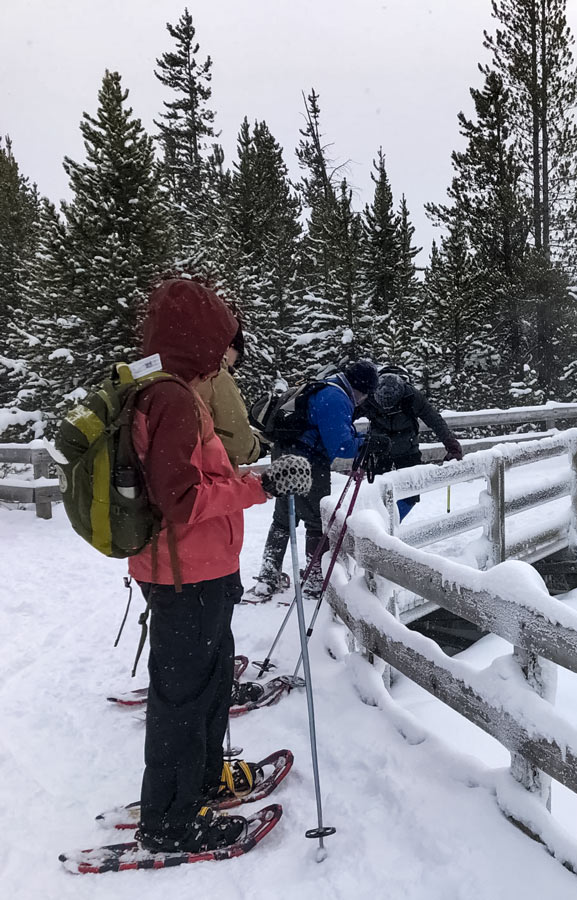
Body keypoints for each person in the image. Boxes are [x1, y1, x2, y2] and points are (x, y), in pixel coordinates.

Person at [129, 278, 310, 853]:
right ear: (200, 339)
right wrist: (257, 491)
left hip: (195, 570)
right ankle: (170, 822)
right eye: (218, 338)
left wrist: (257, 478)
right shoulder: (174, 399)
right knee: (183, 698)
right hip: (186, 572)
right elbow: (181, 499)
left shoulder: (164, 389)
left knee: (206, 687)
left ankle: (201, 784)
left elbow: (200, 478)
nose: (222, 353)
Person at [253, 359, 378, 599]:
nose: (363, 401)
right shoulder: (337, 398)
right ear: (361, 388)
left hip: (285, 454)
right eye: (366, 395)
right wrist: (368, 443)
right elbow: (342, 447)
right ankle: (314, 579)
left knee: (283, 518)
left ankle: (268, 577)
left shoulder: (325, 386)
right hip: (308, 463)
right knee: (316, 519)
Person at [361, 370, 464, 524]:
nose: (387, 409)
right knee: (378, 492)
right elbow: (347, 417)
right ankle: (379, 527)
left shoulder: (412, 397)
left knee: (412, 492)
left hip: (407, 447)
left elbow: (434, 419)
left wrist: (451, 445)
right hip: (379, 448)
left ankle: (390, 525)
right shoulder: (367, 397)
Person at [194, 323, 262, 467]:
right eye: (235, 362)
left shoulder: (178, 370)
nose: (232, 369)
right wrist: (256, 447)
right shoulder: (216, 377)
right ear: (229, 347)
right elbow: (239, 446)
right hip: (208, 478)